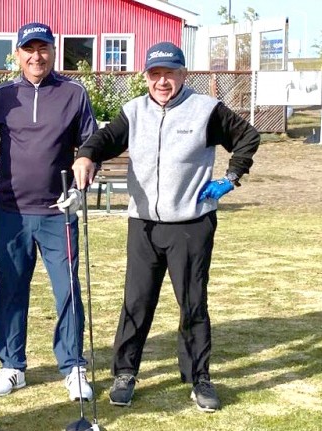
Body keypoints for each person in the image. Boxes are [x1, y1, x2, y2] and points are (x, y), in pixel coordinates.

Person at [72, 41, 260, 412]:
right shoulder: (134, 111)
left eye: (169, 73)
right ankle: (125, 373)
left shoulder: (205, 110)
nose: (162, 81)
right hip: (143, 224)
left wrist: (231, 177)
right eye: (155, 74)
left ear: (183, 74)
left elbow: (248, 138)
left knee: (192, 303)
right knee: (136, 302)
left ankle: (198, 378)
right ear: (145, 77)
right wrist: (86, 156)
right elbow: (104, 139)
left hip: (190, 224)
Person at [0, 22, 98, 401]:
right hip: (10, 211)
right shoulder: (1, 96)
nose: (36, 56)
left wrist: (84, 174)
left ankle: (73, 366)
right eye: (28, 49)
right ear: (17, 55)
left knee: (67, 290)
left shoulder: (73, 93)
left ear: (53, 51)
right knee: (11, 289)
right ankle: (12, 366)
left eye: (43, 48)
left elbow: (90, 142)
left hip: (57, 211)